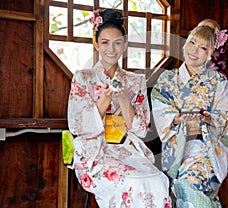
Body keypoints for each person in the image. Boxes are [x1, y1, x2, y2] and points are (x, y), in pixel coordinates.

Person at [67, 9, 171, 207]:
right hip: (96, 150)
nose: (111, 49)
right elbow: (79, 126)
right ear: (96, 44)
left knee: (157, 181)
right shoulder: (83, 78)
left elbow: (140, 129)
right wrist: (105, 98)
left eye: (117, 43)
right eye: (105, 42)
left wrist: (124, 98)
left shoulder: (135, 81)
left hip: (127, 147)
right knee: (129, 183)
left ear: (124, 45)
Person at [151, 22, 228, 207]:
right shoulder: (167, 79)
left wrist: (208, 118)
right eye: (192, 43)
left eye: (203, 47)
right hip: (177, 150)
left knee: (191, 182)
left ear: (210, 53)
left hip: (206, 149)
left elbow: (224, 115)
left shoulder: (218, 81)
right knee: (173, 188)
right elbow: (160, 106)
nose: (194, 50)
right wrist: (177, 119)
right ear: (185, 43)